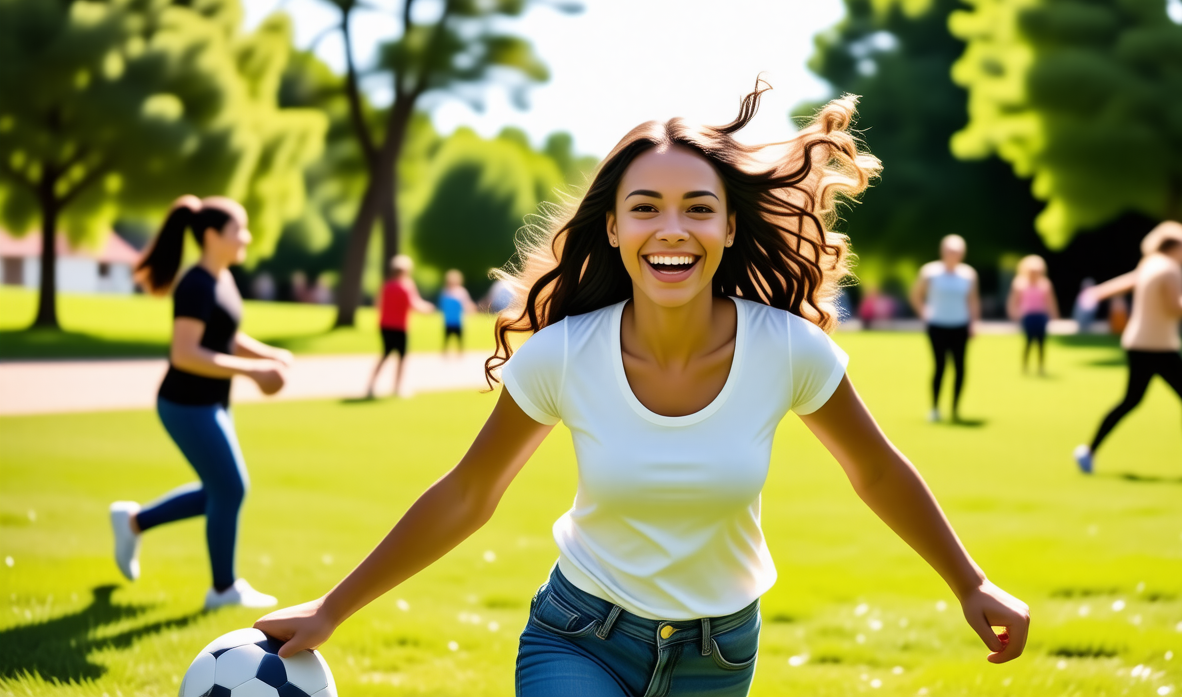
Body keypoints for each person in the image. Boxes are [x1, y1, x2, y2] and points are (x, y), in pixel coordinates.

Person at [254, 85, 1030, 695]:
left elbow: (877, 470)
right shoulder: (562, 357)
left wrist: (971, 582)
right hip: (578, 636)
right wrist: (331, 610)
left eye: (698, 208)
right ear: (616, 229)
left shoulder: (786, 349)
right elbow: (467, 494)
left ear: (729, 228)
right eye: (645, 208)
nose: (671, 229)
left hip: (718, 653)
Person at [110, 195, 290, 609]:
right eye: (238, 230)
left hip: (211, 402)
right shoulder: (195, 284)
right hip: (185, 403)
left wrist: (268, 355)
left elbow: (225, 338)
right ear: (212, 236)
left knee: (222, 488)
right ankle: (223, 590)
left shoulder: (222, 278)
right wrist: (252, 373)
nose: (246, 237)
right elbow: (185, 353)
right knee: (230, 487)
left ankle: (134, 522)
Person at [1074, 221, 1182, 480]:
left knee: (1131, 401)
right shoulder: (1171, 270)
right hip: (1158, 346)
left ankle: (1088, 451)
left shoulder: (1150, 263)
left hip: (1137, 344)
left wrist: (1098, 292)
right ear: (1177, 247)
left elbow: (1128, 281)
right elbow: (1176, 309)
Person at [910, 235, 980, 422]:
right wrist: (925, 313)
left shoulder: (968, 274)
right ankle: (934, 408)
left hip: (960, 325)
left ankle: (955, 409)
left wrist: (974, 323)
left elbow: (972, 301)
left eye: (957, 252)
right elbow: (916, 294)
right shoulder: (930, 272)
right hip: (937, 325)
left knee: (960, 367)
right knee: (940, 366)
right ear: (943, 252)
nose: (953, 255)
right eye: (950, 251)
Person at [366, 255, 436, 399]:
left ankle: (371, 386)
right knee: (402, 357)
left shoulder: (386, 286)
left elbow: (378, 304)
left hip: (385, 325)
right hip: (399, 327)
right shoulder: (406, 286)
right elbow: (414, 304)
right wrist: (428, 308)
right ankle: (397, 388)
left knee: (385, 355)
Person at [1007, 255, 1059, 375]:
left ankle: (1040, 367)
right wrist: (1014, 313)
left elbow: (1050, 301)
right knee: (1028, 342)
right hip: (1027, 316)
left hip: (1041, 316)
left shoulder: (1045, 284)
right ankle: (1025, 367)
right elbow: (1013, 300)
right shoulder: (1020, 283)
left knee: (1041, 343)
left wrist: (1054, 315)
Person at [438, 269, 476, 357]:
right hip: (448, 321)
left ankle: (460, 355)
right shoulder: (445, 292)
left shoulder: (461, 292)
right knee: (446, 339)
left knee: (460, 340)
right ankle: (445, 355)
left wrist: (470, 309)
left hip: (458, 321)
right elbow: (442, 305)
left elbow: (466, 304)